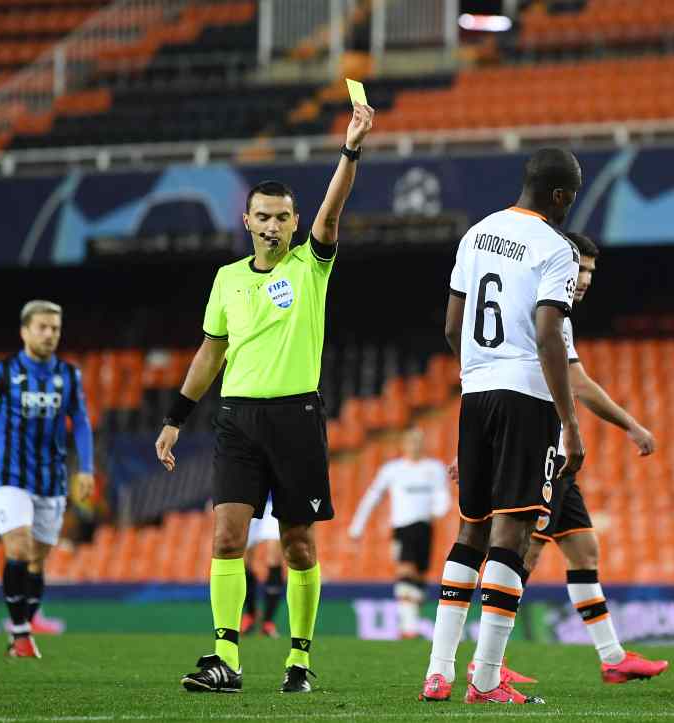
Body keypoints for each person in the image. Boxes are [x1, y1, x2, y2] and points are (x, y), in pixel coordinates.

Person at [157, 102, 375, 695]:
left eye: (283, 217)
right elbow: (210, 353)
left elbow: (333, 211)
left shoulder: (312, 264)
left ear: (295, 221)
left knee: (298, 544)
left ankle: (298, 659)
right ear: (247, 221)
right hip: (236, 419)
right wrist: (176, 417)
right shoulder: (227, 278)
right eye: (263, 217)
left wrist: (350, 149)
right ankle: (225, 657)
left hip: (297, 417)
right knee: (227, 536)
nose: (273, 226)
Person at [420, 147, 585, 705]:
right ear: (560, 196)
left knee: (470, 528)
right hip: (525, 397)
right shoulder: (555, 249)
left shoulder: (478, 233)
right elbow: (546, 337)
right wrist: (568, 422)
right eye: (572, 198)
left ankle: (438, 671)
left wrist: (477, 369)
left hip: (476, 391)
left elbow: (451, 325)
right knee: (511, 534)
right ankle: (486, 680)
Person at [496, 231, 669, 683]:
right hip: (539, 451)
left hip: (555, 456)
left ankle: (613, 658)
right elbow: (579, 385)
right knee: (525, 552)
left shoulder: (558, 315)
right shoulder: (544, 312)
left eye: (591, 270)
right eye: (579, 268)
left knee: (582, 548)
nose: (586, 278)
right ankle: (488, 661)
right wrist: (632, 425)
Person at [0, 300, 95, 659]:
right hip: (11, 479)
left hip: (52, 482)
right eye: (43, 327)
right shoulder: (1, 372)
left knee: (38, 559)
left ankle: (23, 630)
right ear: (25, 331)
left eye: (55, 329)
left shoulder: (69, 375)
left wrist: (87, 469)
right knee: (17, 547)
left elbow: (80, 422)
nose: (50, 334)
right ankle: (20, 634)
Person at [348, 425, 452, 639]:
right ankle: (408, 628)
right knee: (405, 571)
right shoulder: (392, 469)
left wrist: (438, 511)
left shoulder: (435, 468)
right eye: (411, 441)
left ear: (424, 444)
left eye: (418, 441)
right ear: (403, 444)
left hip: (425, 527)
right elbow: (372, 496)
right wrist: (356, 527)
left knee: (419, 578)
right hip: (402, 528)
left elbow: (443, 496)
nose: (415, 445)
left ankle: (410, 623)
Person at [242, 496, 282, 638]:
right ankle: (250, 614)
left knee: (274, 559)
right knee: (243, 561)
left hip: (274, 501)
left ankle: (268, 622)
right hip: (249, 500)